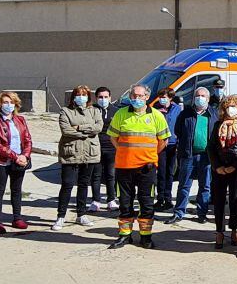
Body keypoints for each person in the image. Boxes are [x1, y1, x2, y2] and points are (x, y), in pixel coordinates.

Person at [107, 83, 170, 249]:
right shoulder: (121, 114)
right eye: (133, 95)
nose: (136, 99)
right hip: (124, 167)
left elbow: (163, 141)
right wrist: (125, 152)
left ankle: (145, 237)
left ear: (147, 97)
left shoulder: (156, 115)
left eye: (140, 96)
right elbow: (113, 137)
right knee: (125, 202)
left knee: (146, 203)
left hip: (146, 168)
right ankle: (124, 235)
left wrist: (149, 156)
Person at [52, 85, 102, 231]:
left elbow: (98, 127)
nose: (81, 97)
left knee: (84, 184)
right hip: (71, 154)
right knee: (67, 185)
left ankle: (81, 214)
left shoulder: (95, 110)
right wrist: (86, 132)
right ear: (73, 97)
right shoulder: (65, 111)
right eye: (78, 94)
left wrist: (79, 128)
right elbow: (66, 130)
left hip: (89, 153)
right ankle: (61, 216)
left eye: (84, 94)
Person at [0, 91, 32, 234]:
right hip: (0, 161)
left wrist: (25, 155)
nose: (9, 105)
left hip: (19, 161)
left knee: (17, 190)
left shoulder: (21, 120)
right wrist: (14, 156)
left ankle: (17, 218)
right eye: (6, 102)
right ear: (0, 104)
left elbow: (27, 139)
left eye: (11, 102)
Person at [171, 87, 217, 226]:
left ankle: (202, 213)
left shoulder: (213, 114)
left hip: (206, 157)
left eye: (203, 96)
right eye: (197, 95)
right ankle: (179, 212)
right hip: (188, 155)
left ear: (208, 99)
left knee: (205, 186)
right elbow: (178, 130)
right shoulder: (186, 113)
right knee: (184, 185)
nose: (200, 98)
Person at [208, 93, 237, 249]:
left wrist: (235, 166)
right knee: (218, 200)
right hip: (220, 168)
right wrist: (217, 166)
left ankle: (233, 229)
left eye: (233, 106)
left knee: (235, 199)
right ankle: (219, 231)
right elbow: (211, 147)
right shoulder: (219, 125)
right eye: (227, 106)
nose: (230, 109)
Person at [88, 86, 118, 212]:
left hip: (111, 148)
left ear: (110, 98)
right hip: (95, 147)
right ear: (96, 98)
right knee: (96, 175)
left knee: (111, 175)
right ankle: (96, 200)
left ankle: (111, 199)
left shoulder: (116, 111)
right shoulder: (91, 110)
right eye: (100, 97)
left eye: (106, 97)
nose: (103, 99)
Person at [154, 88, 181, 211]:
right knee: (161, 172)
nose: (162, 99)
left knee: (170, 172)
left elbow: (179, 125)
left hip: (172, 143)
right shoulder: (155, 108)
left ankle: (168, 199)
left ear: (170, 98)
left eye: (164, 97)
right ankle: (160, 198)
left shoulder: (177, 109)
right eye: (160, 96)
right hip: (160, 143)